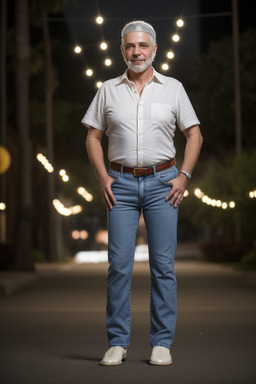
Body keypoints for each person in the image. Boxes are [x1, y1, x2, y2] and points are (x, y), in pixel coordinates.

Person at [82, 20, 203, 366]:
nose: (137, 52)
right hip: (118, 183)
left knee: (162, 265)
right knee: (118, 266)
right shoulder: (107, 89)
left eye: (143, 46)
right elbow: (92, 136)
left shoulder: (173, 88)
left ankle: (161, 343)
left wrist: (184, 176)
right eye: (130, 46)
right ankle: (117, 343)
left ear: (154, 49)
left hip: (163, 184)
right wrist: (102, 176)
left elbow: (194, 134)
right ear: (122, 50)